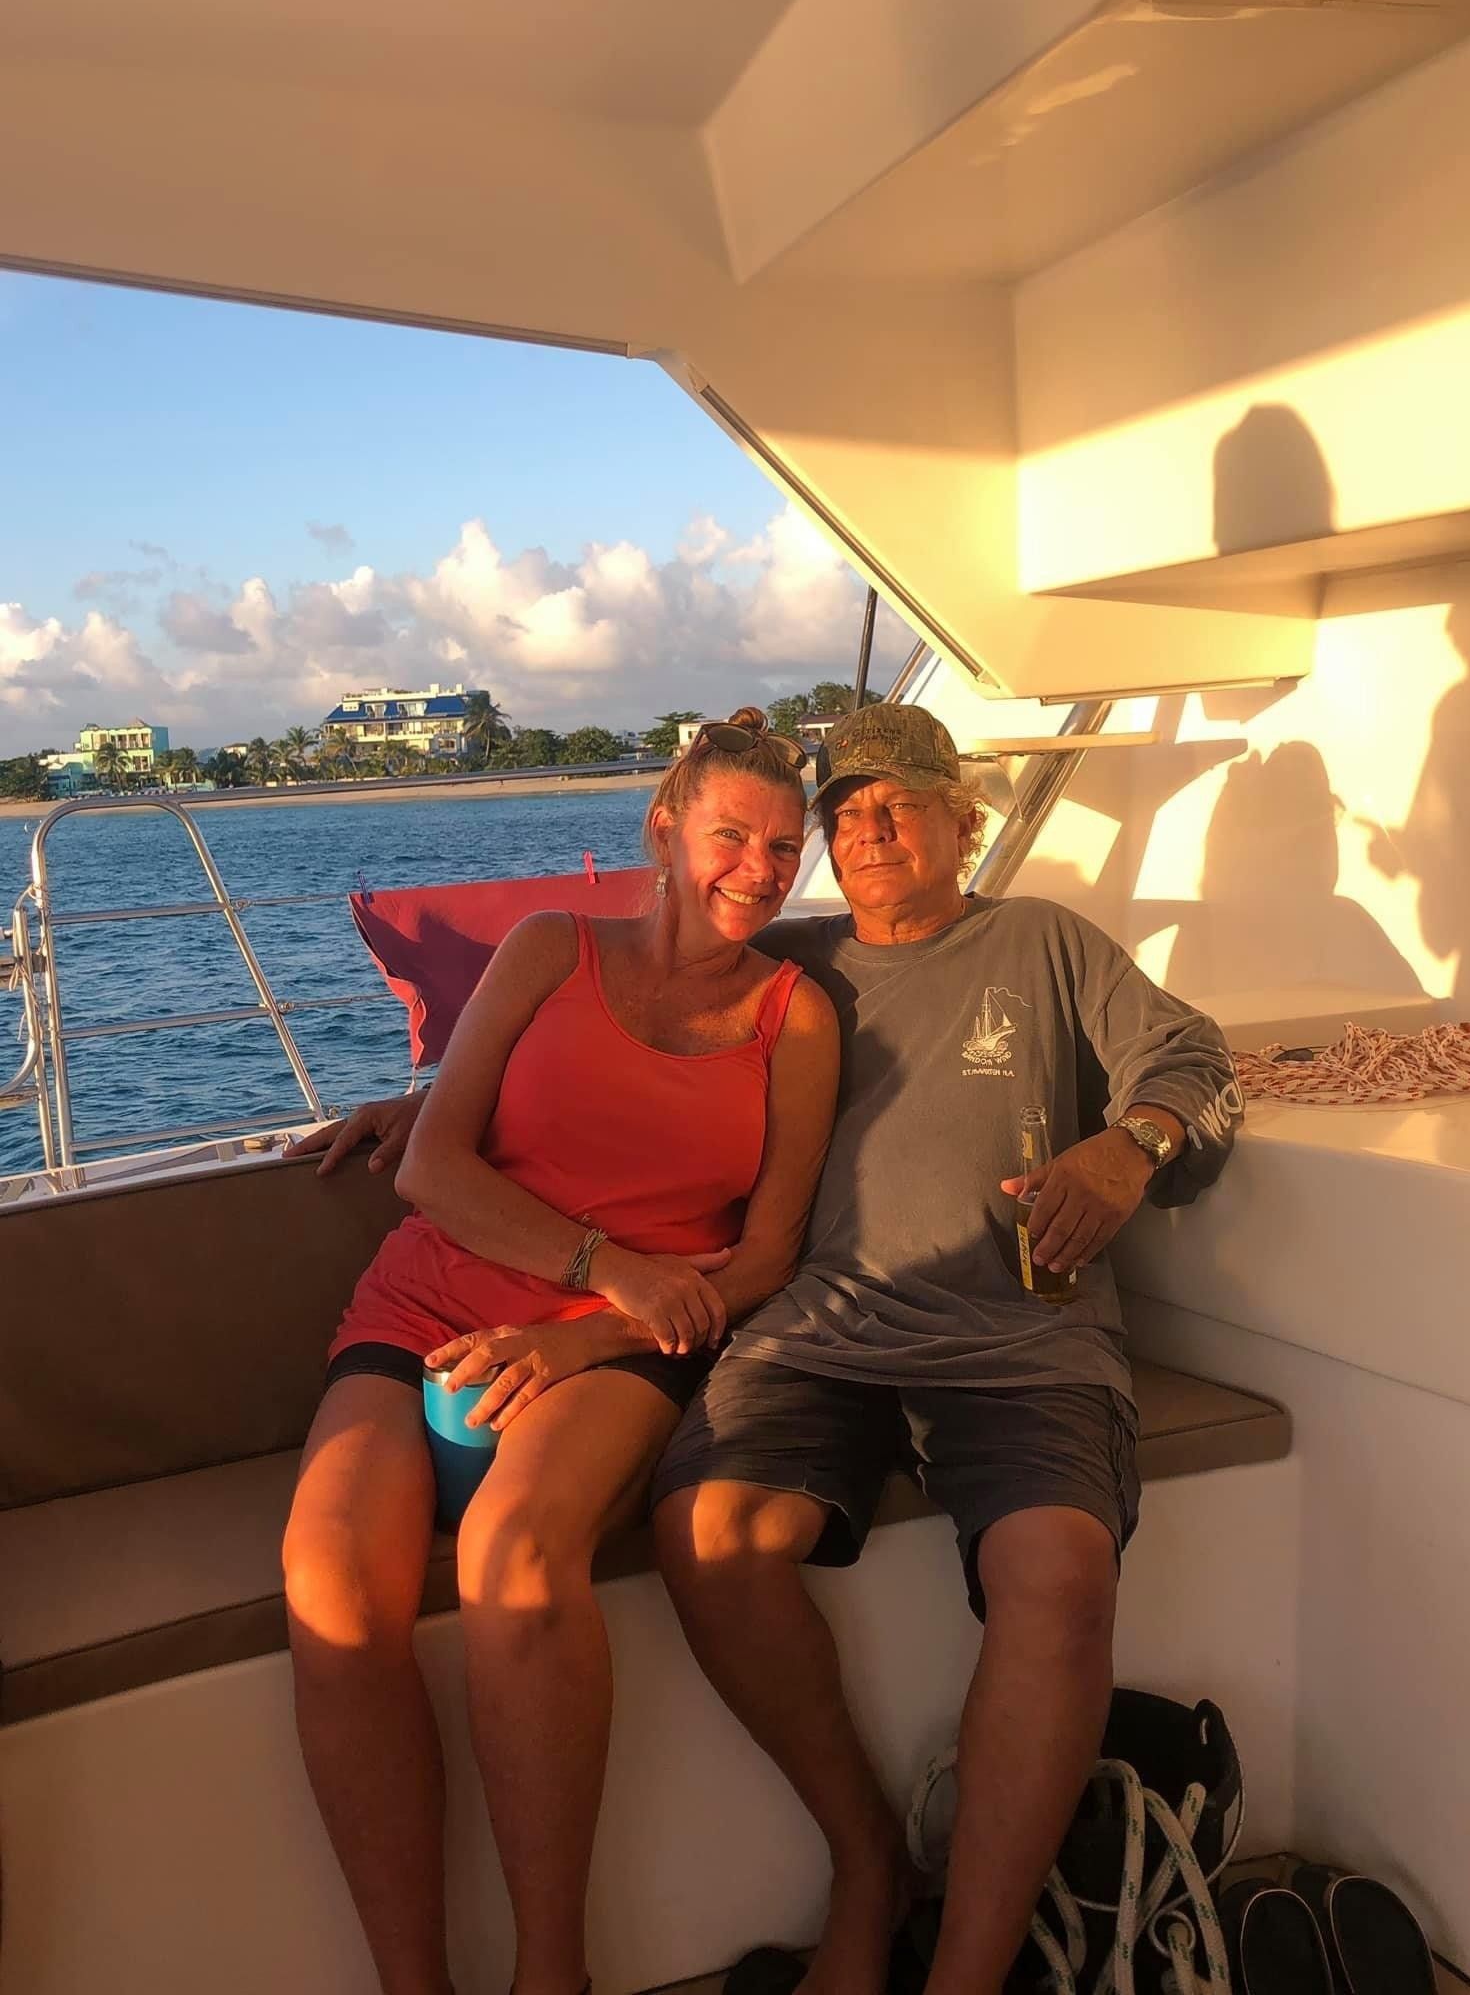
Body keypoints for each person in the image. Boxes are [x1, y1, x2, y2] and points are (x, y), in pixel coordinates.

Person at [298, 702, 1240, 1995]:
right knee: (495, 1565)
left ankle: (900, 1969)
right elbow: (555, 1065)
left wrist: (1131, 1144)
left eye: (884, 809)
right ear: (672, 826)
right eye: (837, 816)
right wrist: (428, 1098)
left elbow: (1184, 1056)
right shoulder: (711, 954)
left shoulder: (947, 964)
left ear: (968, 824)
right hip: (648, 1319)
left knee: (1047, 1575)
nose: (849, 838)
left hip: (868, 1334)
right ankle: (836, 1873)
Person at [281, 708, 840, 1995]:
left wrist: (595, 1318)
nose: (758, 870)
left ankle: (554, 1976)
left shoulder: (794, 1017)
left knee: (515, 1559)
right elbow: (433, 1159)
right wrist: (603, 1258)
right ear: (664, 827)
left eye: (783, 847)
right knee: (324, 1576)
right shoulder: (549, 950)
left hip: (624, 1342)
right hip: (427, 1305)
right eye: (729, 836)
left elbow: (765, 1255)